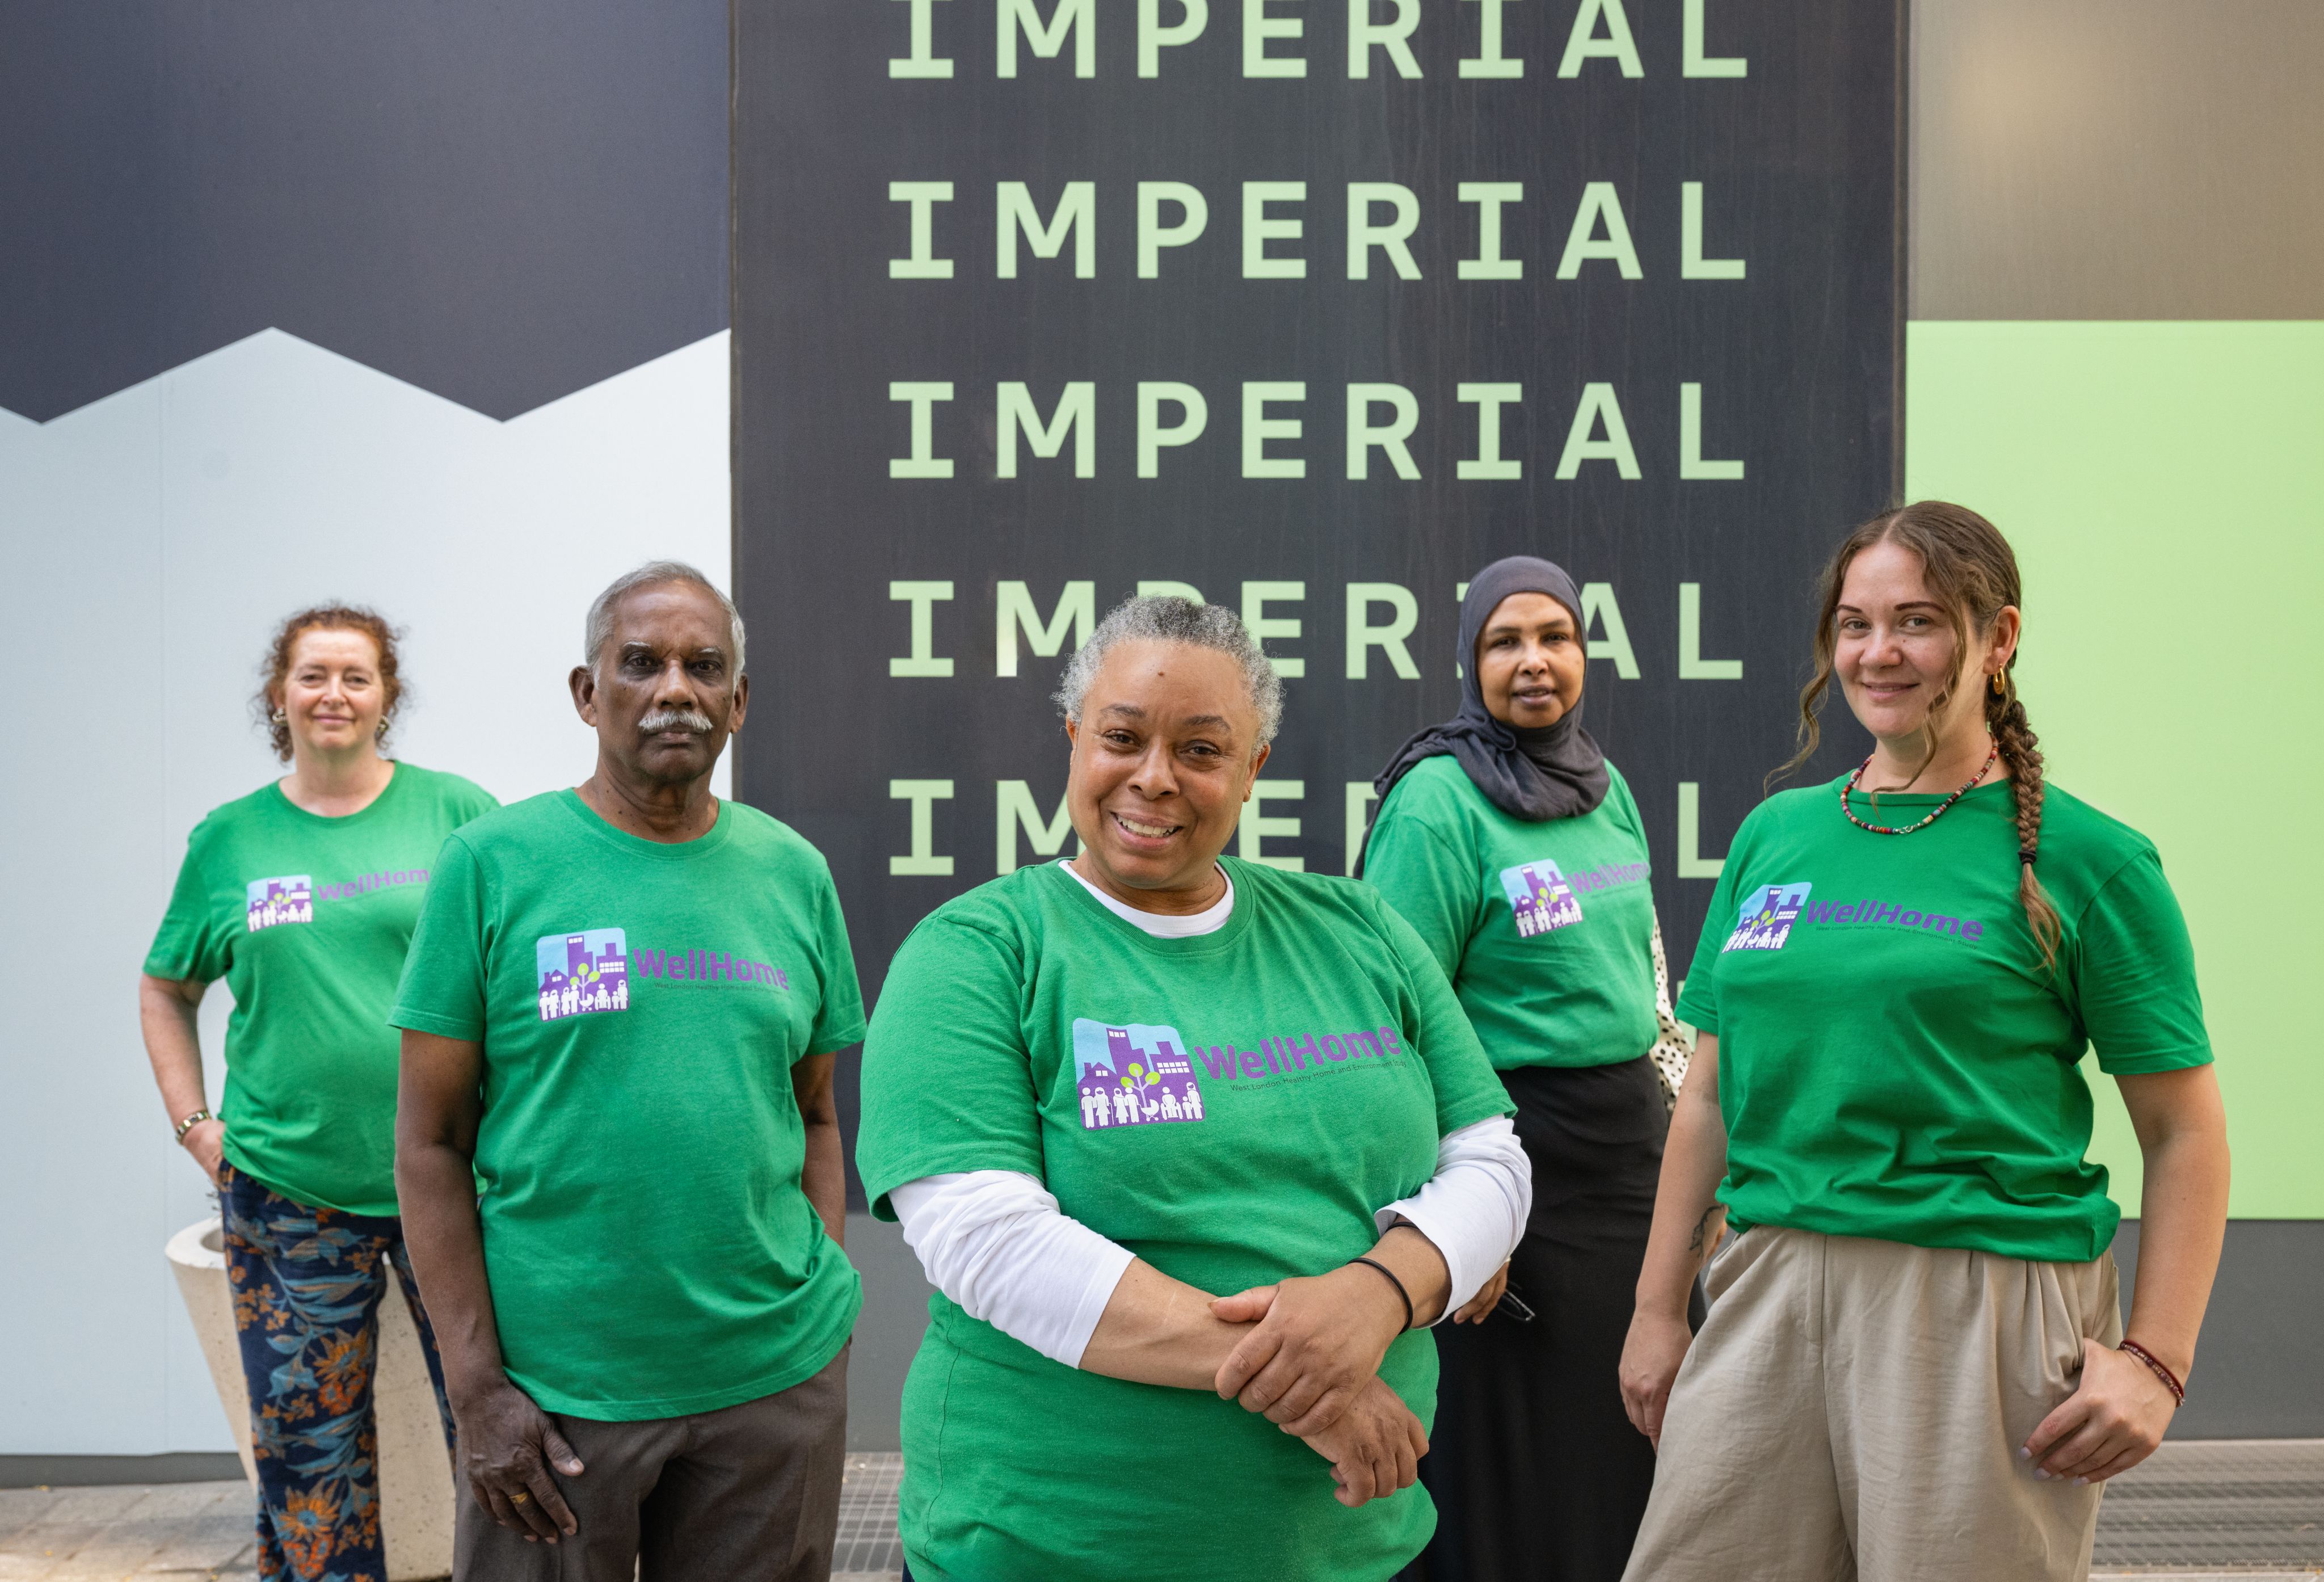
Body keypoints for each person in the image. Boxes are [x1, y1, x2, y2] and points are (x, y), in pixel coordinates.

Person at [856, 595, 1534, 1582]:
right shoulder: (980, 951)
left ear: (1253, 766)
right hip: (1048, 1548)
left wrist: (1377, 1296)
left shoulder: (1358, 930)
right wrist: (1319, 1386)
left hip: (1349, 1552)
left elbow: (1491, 1158)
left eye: (1203, 750)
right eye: (1122, 737)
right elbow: (984, 1238)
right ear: (1074, 738)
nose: (1155, 778)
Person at [1618, 503, 2230, 1581]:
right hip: (1766, 1281)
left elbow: (2184, 1133)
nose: (1877, 652)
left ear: (1998, 640)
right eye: (1855, 624)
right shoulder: (1776, 834)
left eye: (1917, 621)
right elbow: (1708, 1096)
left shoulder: (2092, 861)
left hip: (1979, 1301)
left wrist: (2157, 1362)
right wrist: (1658, 1308)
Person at [390, 562, 865, 1582]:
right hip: (559, 1398)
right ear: (586, 691)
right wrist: (476, 1388)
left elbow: (817, 1116)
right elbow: (428, 1145)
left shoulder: (794, 872)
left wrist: (819, 1303)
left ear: (738, 702)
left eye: (705, 668)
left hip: (772, 1391)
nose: (674, 690)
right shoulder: (492, 865)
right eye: (641, 664)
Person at [140, 604, 498, 1582]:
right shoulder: (231, 841)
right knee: (310, 1462)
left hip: (457, 1185)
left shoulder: (457, 814)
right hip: (290, 1190)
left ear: (388, 697)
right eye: (312, 675)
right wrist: (195, 1124)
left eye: (356, 676)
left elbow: (513, 973)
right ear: (278, 696)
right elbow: (167, 988)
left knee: (500, 1437)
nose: (333, 694)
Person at [1358, 556, 1698, 1582]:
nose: (1534, 662)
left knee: (1624, 1435)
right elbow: (1398, 1019)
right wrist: (1460, 1215)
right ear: (1470, 659)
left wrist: (1689, 1147)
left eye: (1555, 637)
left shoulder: (1607, 786)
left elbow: (1651, 979)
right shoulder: (1436, 803)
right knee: (1509, 1462)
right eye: (1506, 641)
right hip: (1515, 1160)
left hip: (1628, 1165)